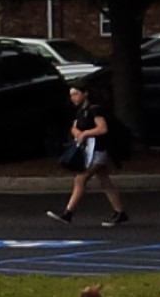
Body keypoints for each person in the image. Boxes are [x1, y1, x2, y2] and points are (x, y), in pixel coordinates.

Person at [46, 83, 127, 228]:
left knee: (80, 179)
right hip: (90, 151)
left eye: (76, 94)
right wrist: (77, 132)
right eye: (71, 95)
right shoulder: (80, 112)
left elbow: (102, 128)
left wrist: (85, 133)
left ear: (85, 94)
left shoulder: (94, 109)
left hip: (99, 151)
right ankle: (120, 212)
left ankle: (68, 213)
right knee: (104, 181)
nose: (73, 98)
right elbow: (74, 127)